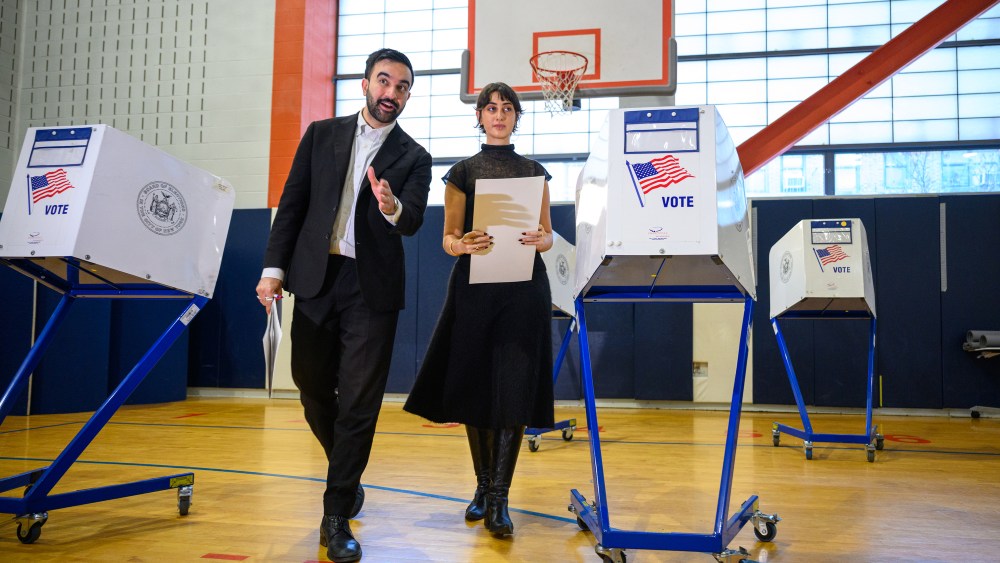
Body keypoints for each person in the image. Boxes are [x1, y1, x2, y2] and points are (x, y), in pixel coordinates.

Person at [255, 48, 431, 563]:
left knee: (358, 399)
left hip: (371, 288)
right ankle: (345, 468)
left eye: (401, 87)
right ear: (365, 84)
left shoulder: (414, 156)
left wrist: (391, 205)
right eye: (384, 82)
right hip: (315, 276)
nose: (391, 93)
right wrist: (272, 270)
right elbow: (292, 204)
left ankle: (335, 515)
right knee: (311, 386)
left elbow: (414, 218)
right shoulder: (322, 134)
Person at [403, 82, 555, 537]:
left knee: (513, 387)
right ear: (480, 117)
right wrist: (460, 244)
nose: (499, 114)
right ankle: (483, 484)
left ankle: (499, 499)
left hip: (524, 287)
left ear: (516, 117)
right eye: (491, 107)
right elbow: (448, 238)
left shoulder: (533, 171)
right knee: (475, 387)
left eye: (507, 108)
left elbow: (547, 233)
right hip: (474, 287)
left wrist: (542, 240)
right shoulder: (462, 172)